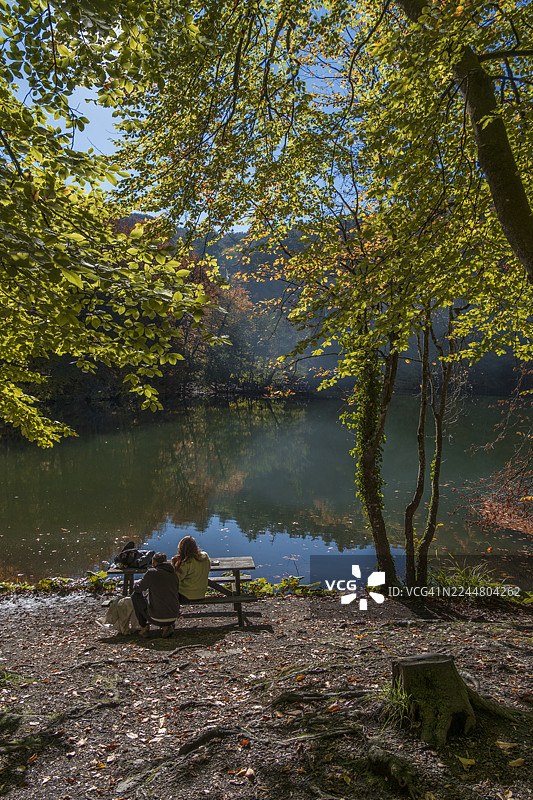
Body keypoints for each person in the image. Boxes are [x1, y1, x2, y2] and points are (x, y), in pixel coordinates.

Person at [131, 552, 180, 638]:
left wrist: (136, 583)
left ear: (153, 563)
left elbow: (138, 588)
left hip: (156, 618)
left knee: (135, 595)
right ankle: (166, 627)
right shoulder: (173, 573)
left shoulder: (152, 573)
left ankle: (144, 627)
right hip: (173, 616)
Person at [171, 536, 211, 601]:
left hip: (186, 595)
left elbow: (175, 579)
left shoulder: (186, 563)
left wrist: (175, 564)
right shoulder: (205, 557)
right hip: (201, 594)